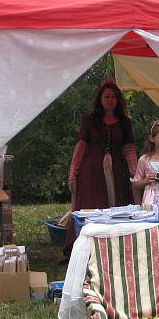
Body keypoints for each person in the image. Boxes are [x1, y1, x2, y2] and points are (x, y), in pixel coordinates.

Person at [64, 80, 138, 256]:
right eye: (106, 96)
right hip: (92, 171)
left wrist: (134, 172)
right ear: (100, 99)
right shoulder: (90, 120)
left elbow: (129, 149)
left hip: (118, 171)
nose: (110, 100)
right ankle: (89, 248)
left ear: (118, 99)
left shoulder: (124, 122)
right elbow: (80, 147)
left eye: (113, 97)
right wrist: (72, 173)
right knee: (92, 205)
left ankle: (116, 246)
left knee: (118, 205)